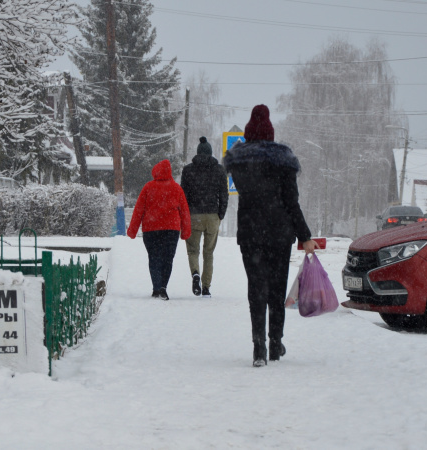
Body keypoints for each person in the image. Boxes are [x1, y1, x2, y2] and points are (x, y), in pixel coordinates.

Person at [223, 104, 319, 367]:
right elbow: (291, 202)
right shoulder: (283, 162)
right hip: (279, 234)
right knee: (277, 290)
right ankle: (275, 343)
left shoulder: (239, 162)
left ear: (249, 133)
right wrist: (305, 235)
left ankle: (259, 349)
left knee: (256, 289)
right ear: (271, 133)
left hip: (251, 233)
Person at [127, 159, 192, 300]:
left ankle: (156, 287)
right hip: (171, 229)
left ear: (155, 172)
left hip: (151, 229)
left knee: (154, 258)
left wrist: (132, 230)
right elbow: (184, 211)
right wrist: (186, 231)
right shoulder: (176, 188)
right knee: (168, 258)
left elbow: (139, 210)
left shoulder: (148, 187)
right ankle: (163, 287)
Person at [180, 137, 229, 298]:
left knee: (193, 250)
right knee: (209, 253)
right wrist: (220, 213)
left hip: (194, 215)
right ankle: (206, 287)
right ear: (210, 152)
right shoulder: (220, 170)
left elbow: (183, 195)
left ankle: (195, 274)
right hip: (212, 216)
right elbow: (224, 194)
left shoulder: (188, 170)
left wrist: (185, 214)